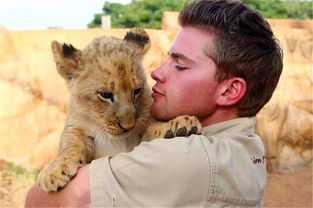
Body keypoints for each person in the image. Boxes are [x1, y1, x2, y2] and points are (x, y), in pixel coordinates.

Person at [25, 0, 283, 207]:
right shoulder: (248, 146)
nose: (156, 73)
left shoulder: (187, 158)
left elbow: (39, 201)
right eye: (167, 59)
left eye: (180, 65)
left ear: (230, 90)